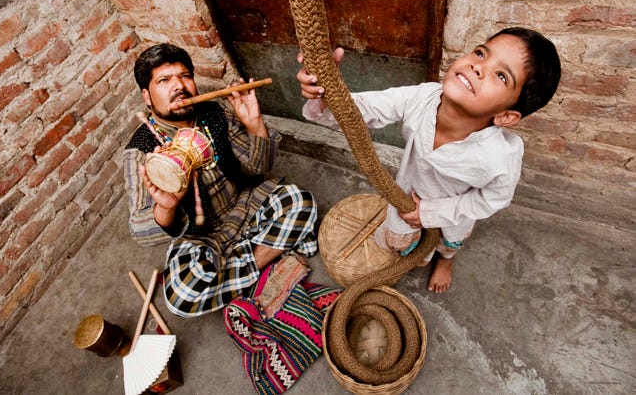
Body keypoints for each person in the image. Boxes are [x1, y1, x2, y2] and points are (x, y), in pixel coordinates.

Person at [297, 27, 561, 293]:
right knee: (401, 241)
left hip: (453, 211)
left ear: (505, 116)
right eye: (481, 53)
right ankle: (420, 253)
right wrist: (326, 92)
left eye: (501, 76)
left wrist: (431, 213)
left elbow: (493, 198)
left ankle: (446, 261)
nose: (478, 67)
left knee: (449, 240)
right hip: (407, 198)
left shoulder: (500, 156)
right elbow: (360, 110)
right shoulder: (422, 98)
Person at [124, 43, 318, 317]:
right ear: (147, 95)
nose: (179, 86)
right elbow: (139, 231)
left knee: (300, 201)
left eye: (185, 76)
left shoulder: (213, 113)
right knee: (182, 294)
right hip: (202, 235)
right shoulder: (142, 150)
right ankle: (266, 257)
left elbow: (257, 169)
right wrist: (165, 209)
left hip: (244, 204)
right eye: (164, 80)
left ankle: (238, 271)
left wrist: (255, 126)